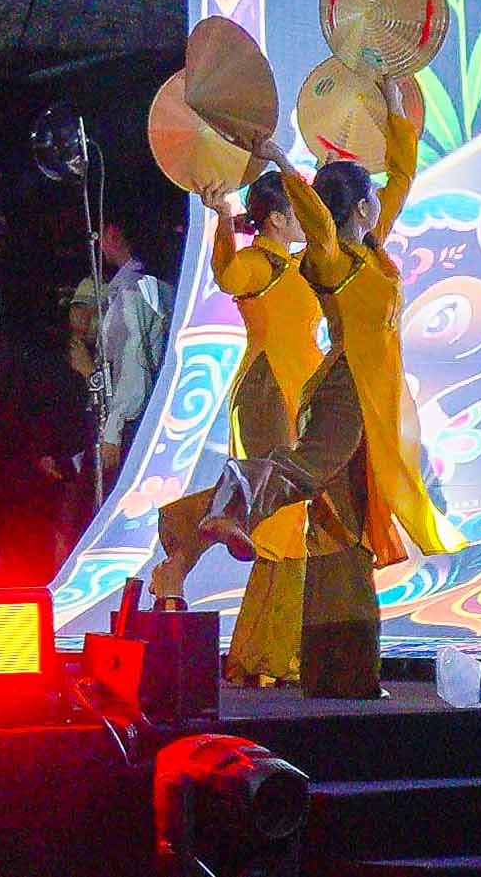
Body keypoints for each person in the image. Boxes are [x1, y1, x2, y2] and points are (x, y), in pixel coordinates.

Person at [153, 87, 451, 698]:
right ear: (359, 208)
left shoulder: (371, 247)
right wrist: (285, 165)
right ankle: (223, 506)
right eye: (372, 198)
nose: (383, 201)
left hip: (373, 399)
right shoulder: (332, 260)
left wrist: (394, 108)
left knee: (344, 533)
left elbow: (401, 177)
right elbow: (311, 224)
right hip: (345, 390)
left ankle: (341, 673)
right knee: (307, 471)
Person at [197, 170, 320, 687]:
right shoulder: (258, 262)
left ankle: (260, 656)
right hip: (269, 395)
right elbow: (227, 274)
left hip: (297, 392)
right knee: (282, 526)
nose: (306, 221)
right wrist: (224, 218)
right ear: (276, 219)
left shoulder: (293, 264)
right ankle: (275, 658)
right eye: (298, 212)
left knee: (288, 528)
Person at [75, 210, 171, 496]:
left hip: (129, 423)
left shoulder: (132, 292)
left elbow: (132, 364)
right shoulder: (147, 286)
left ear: (113, 234)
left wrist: (113, 433)